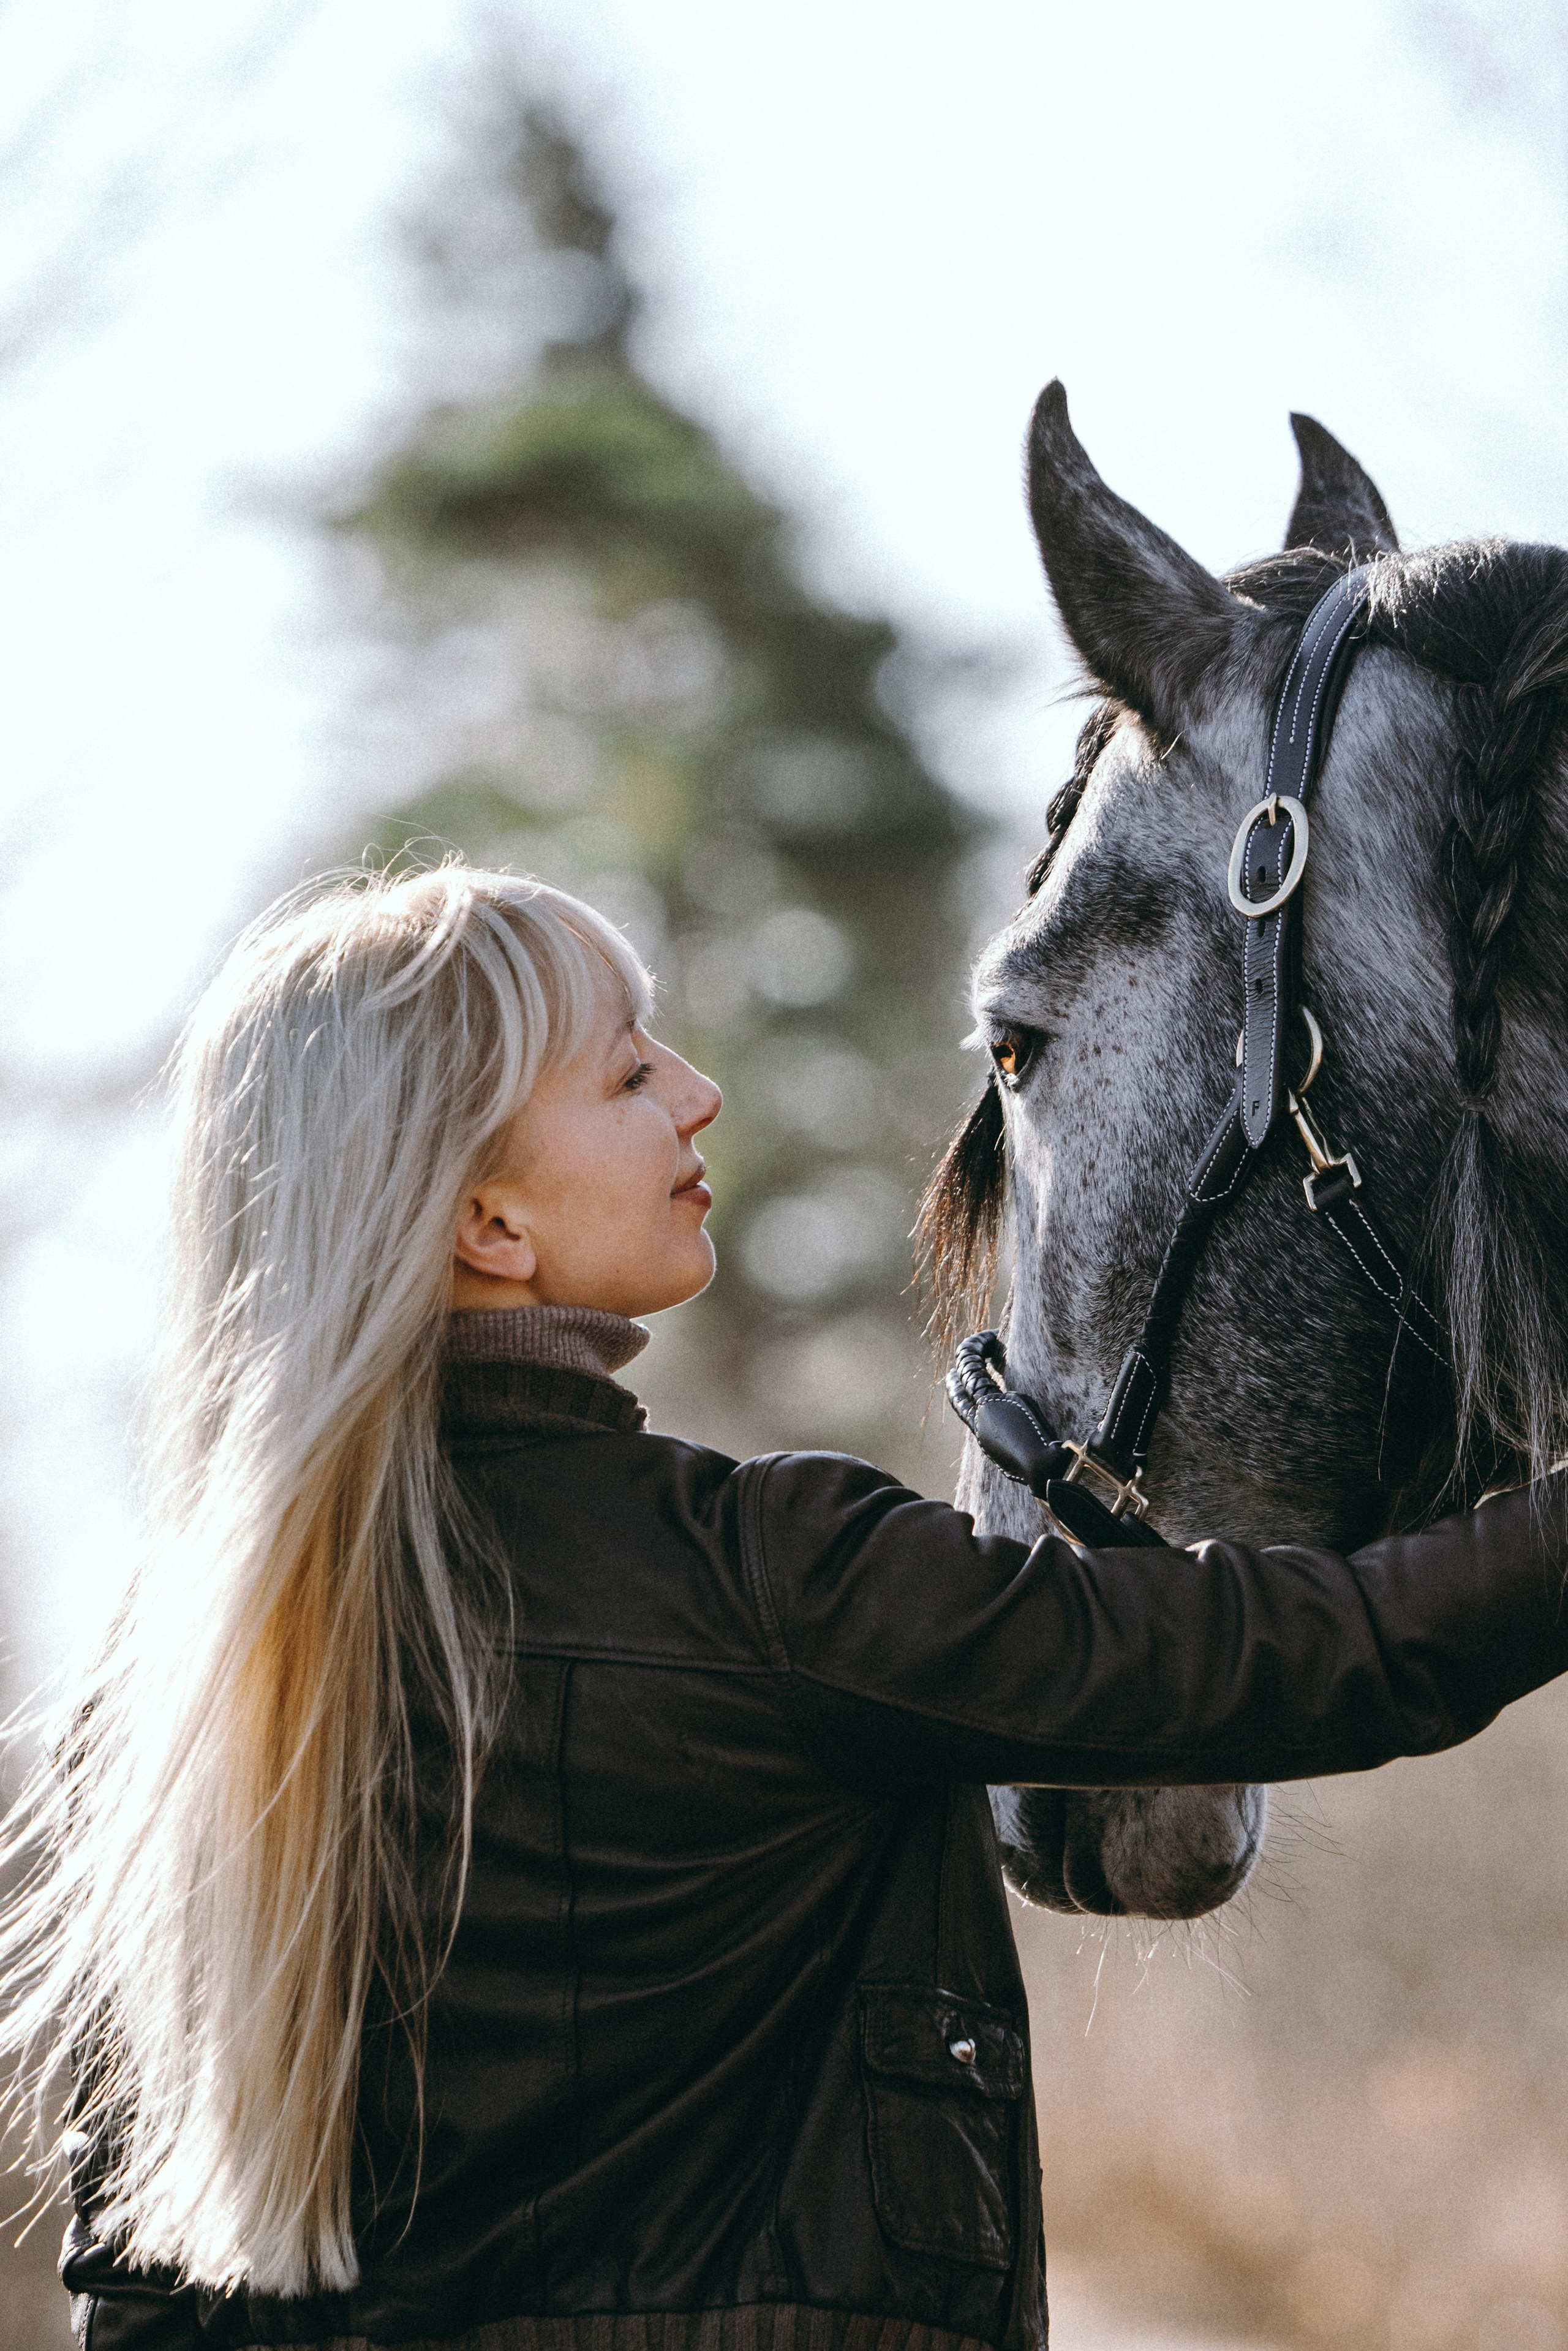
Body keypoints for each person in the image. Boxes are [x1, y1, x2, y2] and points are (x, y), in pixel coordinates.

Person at [10, 864, 1564, 2351]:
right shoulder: (766, 1575)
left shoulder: (153, 1720)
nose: (697, 1090)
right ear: (488, 1225)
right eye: (625, 1076)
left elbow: (137, 2273)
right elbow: (1309, 1652)